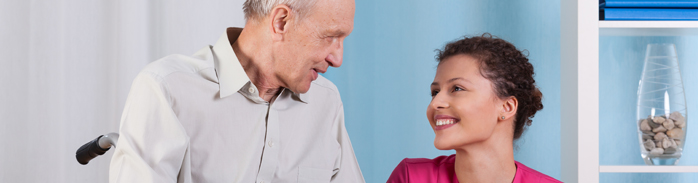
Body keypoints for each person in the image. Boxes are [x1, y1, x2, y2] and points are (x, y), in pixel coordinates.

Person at [109, 0, 364, 182]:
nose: (338, 58)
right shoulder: (167, 90)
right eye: (330, 37)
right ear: (281, 21)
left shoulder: (326, 102)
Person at [387, 34, 561, 183]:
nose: (435, 103)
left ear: (506, 107)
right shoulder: (411, 177)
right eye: (435, 92)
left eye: (457, 88)